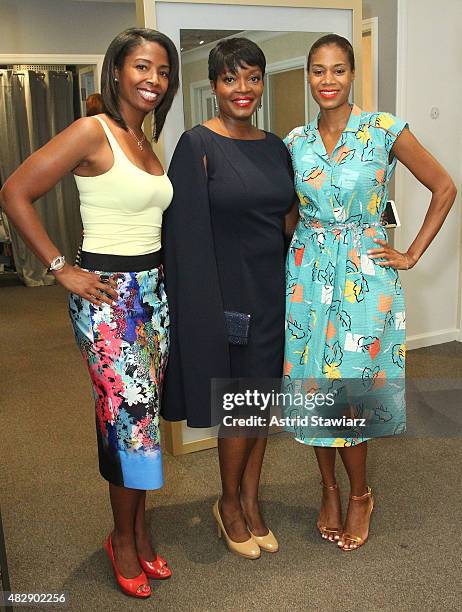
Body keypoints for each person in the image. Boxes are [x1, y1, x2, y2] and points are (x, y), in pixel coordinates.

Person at [0, 28, 179, 597]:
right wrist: (60, 268)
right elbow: (14, 192)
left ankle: (140, 528)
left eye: (164, 71)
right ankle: (122, 541)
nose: (154, 80)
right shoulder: (91, 130)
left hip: (153, 296)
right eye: (143, 67)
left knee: (143, 423)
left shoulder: (145, 138)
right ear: (118, 71)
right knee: (128, 425)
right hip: (108, 299)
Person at [283, 34, 456, 551]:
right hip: (308, 276)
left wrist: (411, 254)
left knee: (349, 390)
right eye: (318, 70)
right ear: (308, 76)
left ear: (352, 74)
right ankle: (328, 489)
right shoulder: (294, 142)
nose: (328, 80)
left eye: (338, 70)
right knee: (316, 387)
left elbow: (444, 187)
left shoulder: (384, 130)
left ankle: (360, 493)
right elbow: (287, 213)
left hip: (364, 277)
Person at [162, 38, 295, 559]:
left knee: (262, 406)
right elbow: (182, 233)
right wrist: (201, 307)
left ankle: (252, 501)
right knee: (239, 410)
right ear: (214, 86)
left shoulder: (276, 145)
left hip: (272, 291)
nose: (243, 89)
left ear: (261, 84)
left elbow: (288, 217)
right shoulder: (196, 144)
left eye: (252, 78)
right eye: (230, 78)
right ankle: (229, 505)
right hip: (226, 294)